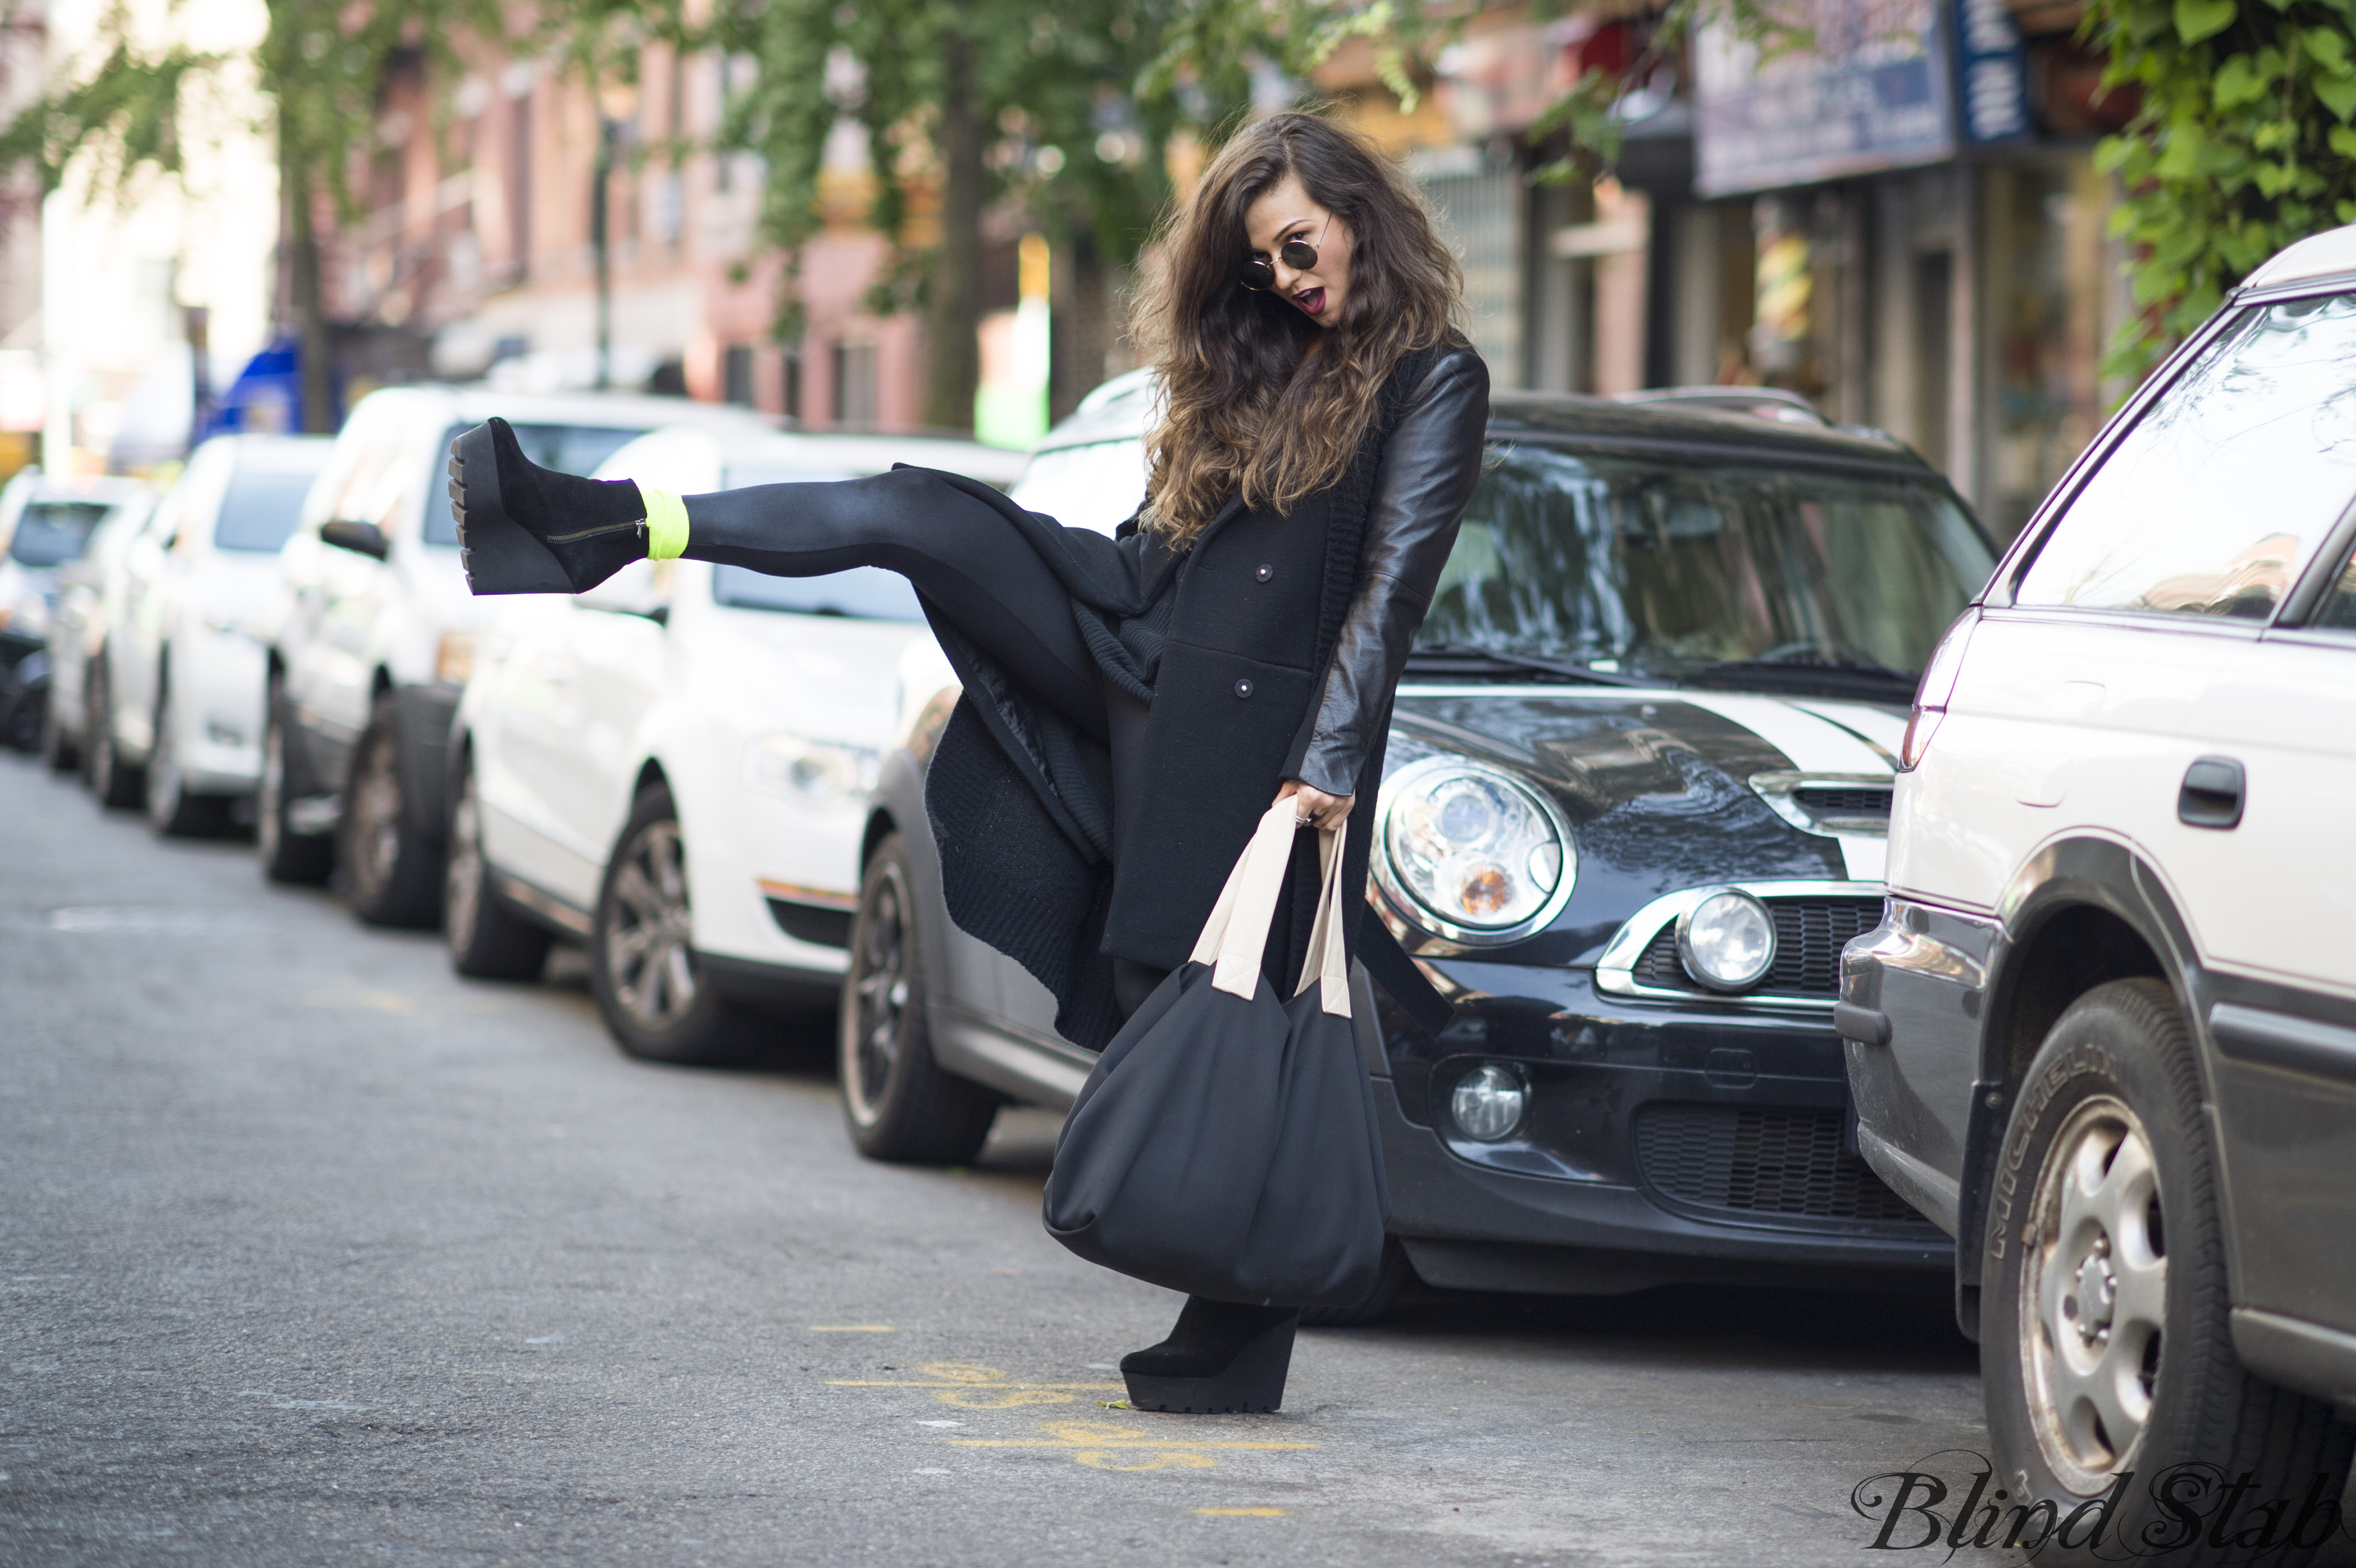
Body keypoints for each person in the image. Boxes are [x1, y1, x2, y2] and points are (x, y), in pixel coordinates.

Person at [447, 109, 1488, 1415]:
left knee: (1209, 1016)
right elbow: (1176, 546)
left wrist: (1330, 766)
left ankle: (1238, 1333)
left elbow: (1391, 589)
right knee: (914, 511)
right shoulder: (1270, 362)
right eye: (1263, 265)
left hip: (1270, 749)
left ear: (1353, 209)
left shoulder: (1434, 378)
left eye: (1296, 247)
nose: (1287, 279)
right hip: (1145, 645)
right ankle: (601, 525)